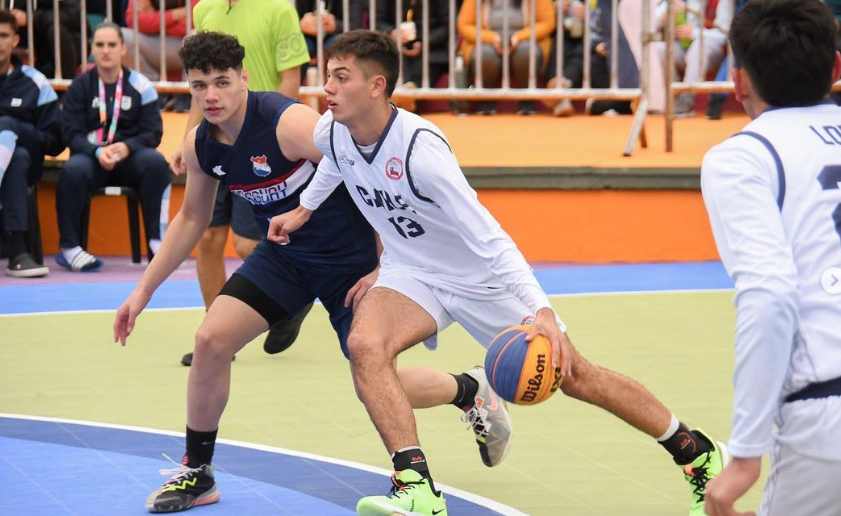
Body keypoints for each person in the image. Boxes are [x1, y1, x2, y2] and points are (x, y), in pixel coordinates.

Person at [269, 29, 726, 516]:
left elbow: (490, 238)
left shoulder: (422, 152)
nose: (327, 88)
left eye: (341, 78)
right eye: (328, 76)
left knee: (577, 377)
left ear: (378, 86)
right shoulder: (333, 130)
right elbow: (336, 164)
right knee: (365, 348)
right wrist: (304, 209)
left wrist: (542, 311)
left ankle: (695, 454)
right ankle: (416, 486)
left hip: (478, 278)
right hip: (412, 271)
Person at [115, 31, 513, 514]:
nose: (211, 96)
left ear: (244, 79)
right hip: (284, 259)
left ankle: (470, 390)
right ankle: (198, 473)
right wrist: (141, 293)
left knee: (373, 381)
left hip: (353, 265)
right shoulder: (203, 145)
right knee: (210, 341)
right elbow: (191, 219)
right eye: (199, 86)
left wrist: (389, 262)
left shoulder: (290, 123)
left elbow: (370, 174)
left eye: (222, 82)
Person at [700, 1, 841, 515]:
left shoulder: (742, 158)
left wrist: (744, 453)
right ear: (837, 68)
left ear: (738, 82)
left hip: (827, 408)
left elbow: (771, 293)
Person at [172, 0, 313, 366]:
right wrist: (187, 140)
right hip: (217, 144)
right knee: (207, 238)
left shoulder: (280, 8)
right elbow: (202, 86)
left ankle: (290, 301)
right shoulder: (204, 11)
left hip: (263, 148)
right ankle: (218, 334)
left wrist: (272, 136)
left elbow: (291, 78)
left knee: (249, 244)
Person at [56, 22, 171, 272]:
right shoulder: (80, 87)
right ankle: (70, 248)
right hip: (92, 158)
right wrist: (96, 151)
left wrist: (128, 147)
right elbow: (70, 133)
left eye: (111, 45)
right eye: (99, 45)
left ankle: (157, 242)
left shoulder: (141, 85)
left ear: (122, 49)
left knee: (156, 163)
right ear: (92, 50)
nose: (105, 50)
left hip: (129, 159)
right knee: (72, 170)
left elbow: (153, 131)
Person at [0, 9, 62, 277]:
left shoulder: (34, 82)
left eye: (3, 35)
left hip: (27, 169)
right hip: (20, 163)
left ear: (15, 40)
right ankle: (18, 252)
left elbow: (55, 142)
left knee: (18, 149)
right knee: (19, 155)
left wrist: (13, 129)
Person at [457, 0, 556, 115]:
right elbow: (464, 24)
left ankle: (526, 99)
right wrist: (491, 38)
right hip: (486, 42)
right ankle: (485, 99)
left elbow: (547, 22)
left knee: (526, 51)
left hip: (525, 40)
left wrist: (518, 38)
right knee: (485, 53)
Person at [654, 0, 733, 116]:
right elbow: (655, 22)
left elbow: (724, 34)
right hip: (686, 49)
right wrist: (666, 14)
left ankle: (687, 99)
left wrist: (694, 33)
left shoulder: (723, 2)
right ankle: (675, 96)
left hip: (714, 51)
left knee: (700, 44)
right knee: (662, 48)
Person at [121, 0, 200, 112]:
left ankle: (186, 94)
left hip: (182, 45)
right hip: (153, 45)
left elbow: (195, 21)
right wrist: (177, 14)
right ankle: (155, 90)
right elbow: (133, 20)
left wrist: (154, 19)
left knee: (196, 35)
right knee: (123, 37)